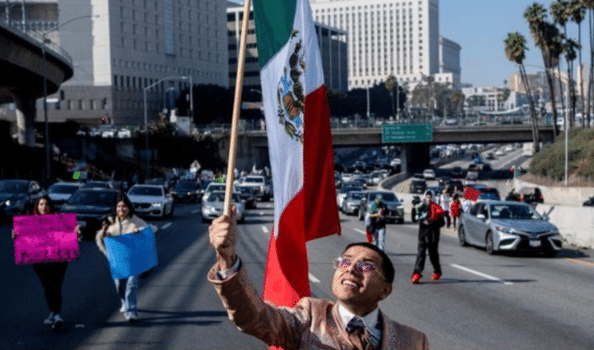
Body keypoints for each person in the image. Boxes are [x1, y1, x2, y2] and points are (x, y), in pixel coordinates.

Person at [208, 210, 430, 350]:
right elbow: (254, 317)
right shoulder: (308, 318)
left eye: (366, 265)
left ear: (385, 291)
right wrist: (227, 260)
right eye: (344, 262)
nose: (351, 269)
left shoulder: (413, 341)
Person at [12, 196, 78, 330]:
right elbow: (25, 241)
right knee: (48, 287)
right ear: (37, 206)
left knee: (56, 286)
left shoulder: (60, 220)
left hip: (58, 260)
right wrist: (16, 236)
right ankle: (53, 313)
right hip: (40, 261)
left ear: (51, 206)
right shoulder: (29, 222)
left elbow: (67, 236)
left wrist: (75, 232)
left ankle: (56, 314)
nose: (44, 207)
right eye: (41, 204)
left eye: (46, 204)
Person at [96, 193, 152, 322]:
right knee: (119, 284)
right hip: (118, 260)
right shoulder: (111, 222)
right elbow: (101, 238)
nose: (122, 209)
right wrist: (105, 233)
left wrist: (138, 232)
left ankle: (131, 311)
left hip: (134, 259)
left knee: (132, 284)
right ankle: (124, 301)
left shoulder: (135, 220)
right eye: (119, 206)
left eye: (124, 206)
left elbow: (150, 231)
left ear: (129, 208)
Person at [411, 191, 445, 284]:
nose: (428, 199)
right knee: (421, 253)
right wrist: (414, 207)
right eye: (427, 197)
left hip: (433, 235)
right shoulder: (421, 207)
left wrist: (433, 221)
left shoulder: (437, 208)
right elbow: (414, 219)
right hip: (423, 234)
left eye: (430, 197)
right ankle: (417, 273)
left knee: (433, 254)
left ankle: (437, 271)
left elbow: (442, 223)